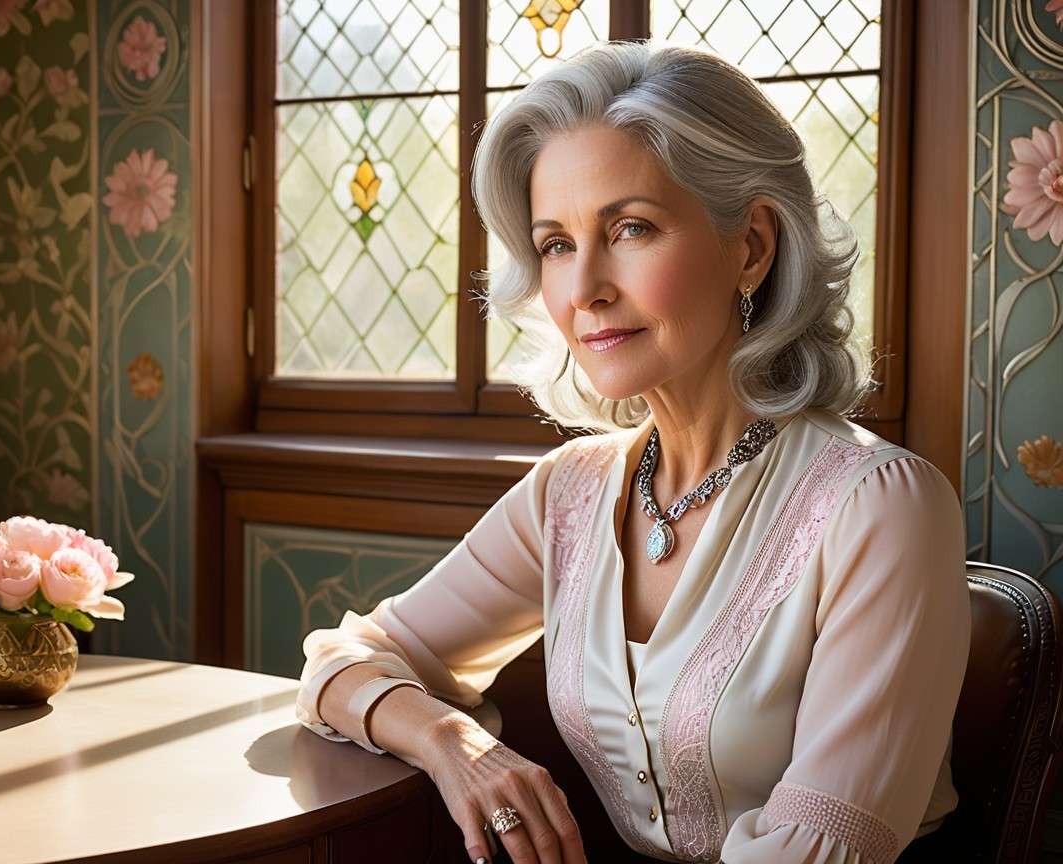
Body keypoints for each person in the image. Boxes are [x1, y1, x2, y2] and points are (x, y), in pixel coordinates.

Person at [295, 42, 970, 864]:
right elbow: (344, 657)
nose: (584, 289)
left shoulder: (881, 505)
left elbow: (817, 850)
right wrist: (453, 743)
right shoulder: (572, 495)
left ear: (751, 245)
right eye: (555, 244)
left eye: (631, 228)